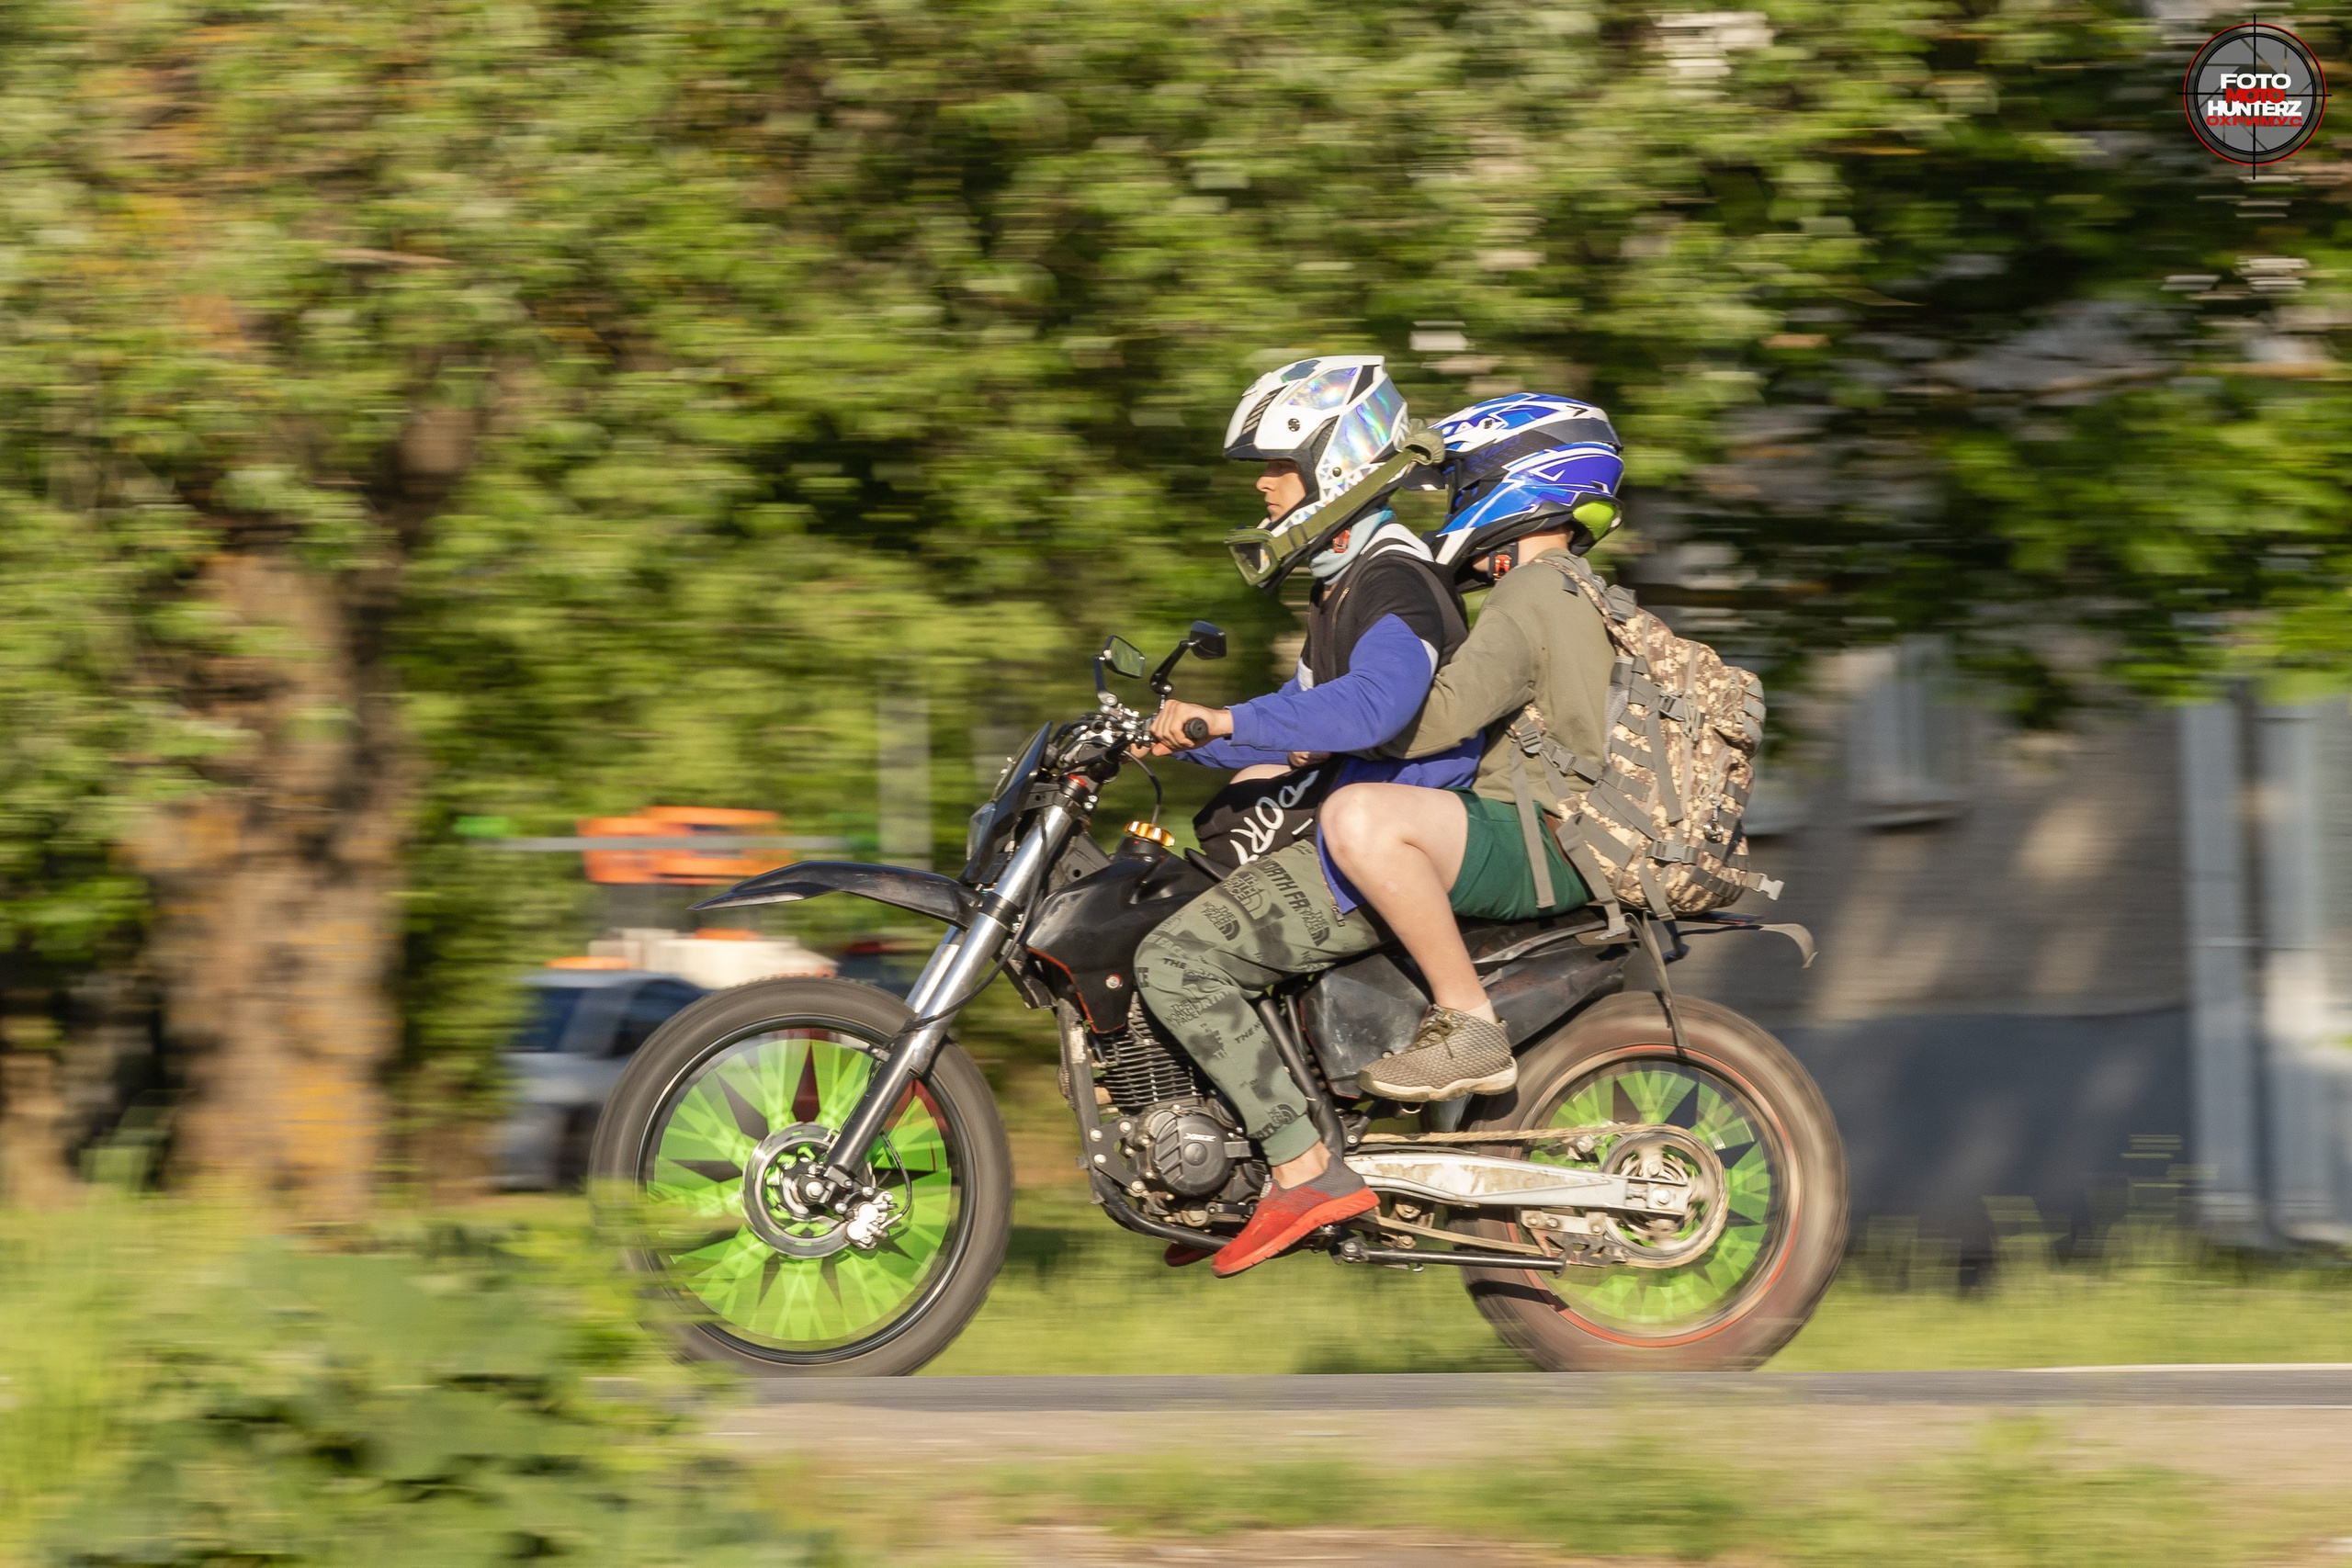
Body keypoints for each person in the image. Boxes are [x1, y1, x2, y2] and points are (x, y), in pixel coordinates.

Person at [1133, 355, 1480, 1275]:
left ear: (1337, 465)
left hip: (1378, 853)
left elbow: (1375, 711)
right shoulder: (1344, 588)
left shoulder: (1393, 583)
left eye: (1275, 467)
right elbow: (1299, 732)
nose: (1261, 484)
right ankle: (1235, 1176)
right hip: (1344, 835)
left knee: (1174, 958)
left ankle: (1302, 1170)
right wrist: (1184, 739)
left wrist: (1229, 720)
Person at [1317, 394, 1630, 1104]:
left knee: (1361, 816)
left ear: (1517, 477)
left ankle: (1468, 1023)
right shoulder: (1583, 590)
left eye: (1467, 486)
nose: (1458, 503)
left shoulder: (1532, 589)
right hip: (1572, 835)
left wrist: (1329, 720)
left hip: (1547, 839)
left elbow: (1441, 716)